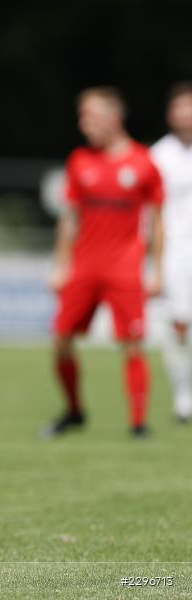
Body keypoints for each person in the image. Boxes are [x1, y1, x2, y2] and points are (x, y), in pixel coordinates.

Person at [45, 86, 164, 438]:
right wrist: (61, 264)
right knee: (61, 341)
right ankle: (74, 411)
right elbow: (69, 218)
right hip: (84, 265)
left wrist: (155, 270)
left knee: (132, 342)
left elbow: (156, 221)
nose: (84, 124)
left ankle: (138, 422)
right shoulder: (79, 161)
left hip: (124, 265)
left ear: (114, 118)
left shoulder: (143, 163)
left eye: (91, 116)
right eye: (82, 116)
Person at [151, 82, 192, 422]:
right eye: (179, 107)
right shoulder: (159, 155)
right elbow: (150, 212)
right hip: (175, 252)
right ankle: (182, 395)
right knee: (178, 324)